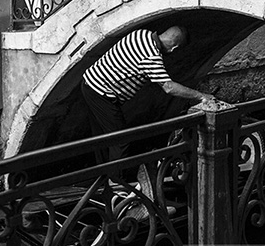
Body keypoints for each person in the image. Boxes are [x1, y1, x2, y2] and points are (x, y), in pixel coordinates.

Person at [81, 25, 216, 164]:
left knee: (103, 136)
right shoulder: (152, 57)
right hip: (101, 91)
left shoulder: (140, 34)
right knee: (121, 138)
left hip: (90, 82)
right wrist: (201, 96)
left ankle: (103, 175)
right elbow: (169, 87)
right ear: (174, 48)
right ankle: (116, 181)